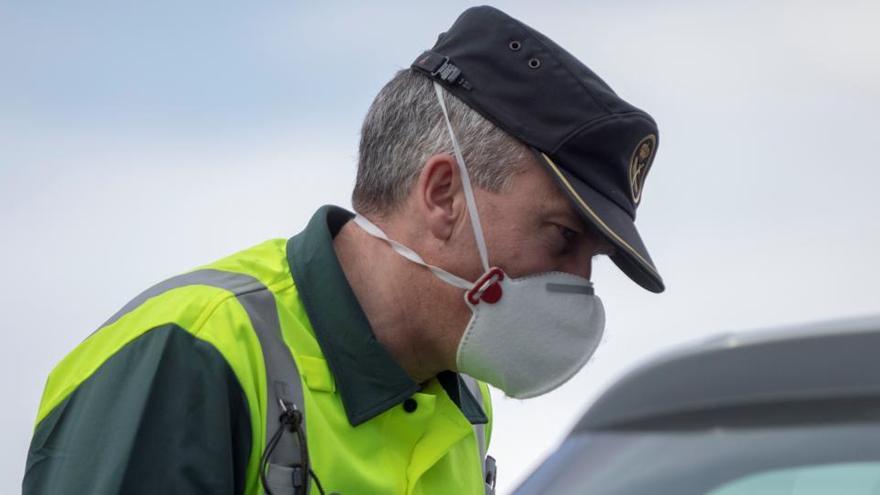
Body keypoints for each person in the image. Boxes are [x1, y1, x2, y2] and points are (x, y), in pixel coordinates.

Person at [23, 5, 663, 495]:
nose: (579, 283)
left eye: (594, 260)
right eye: (563, 236)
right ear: (443, 194)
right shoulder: (191, 353)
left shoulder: (465, 402)